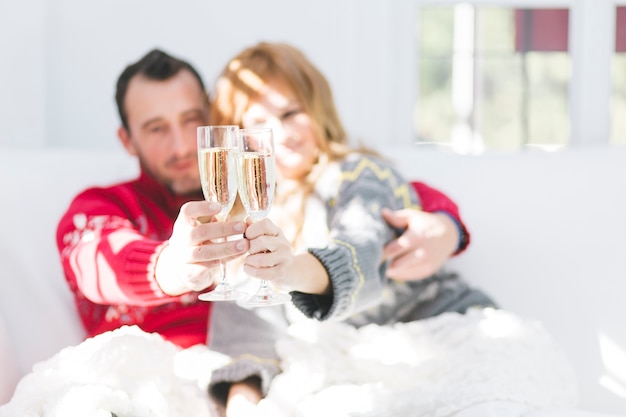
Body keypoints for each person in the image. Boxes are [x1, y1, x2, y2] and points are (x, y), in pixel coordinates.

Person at [55, 48, 472, 351]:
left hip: (250, 369)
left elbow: (370, 193)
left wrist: (444, 222)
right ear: (127, 140)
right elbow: (97, 260)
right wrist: (168, 268)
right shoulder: (101, 208)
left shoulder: (254, 192)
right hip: (150, 374)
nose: (182, 145)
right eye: (156, 129)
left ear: (216, 124)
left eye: (191, 120)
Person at [204, 41, 496, 413]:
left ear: (318, 109)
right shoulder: (253, 217)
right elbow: (246, 328)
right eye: (259, 125)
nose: (283, 133)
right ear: (238, 142)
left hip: (449, 331)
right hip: (362, 369)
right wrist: (241, 406)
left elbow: (361, 251)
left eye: (292, 112)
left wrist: (288, 269)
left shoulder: (359, 176)